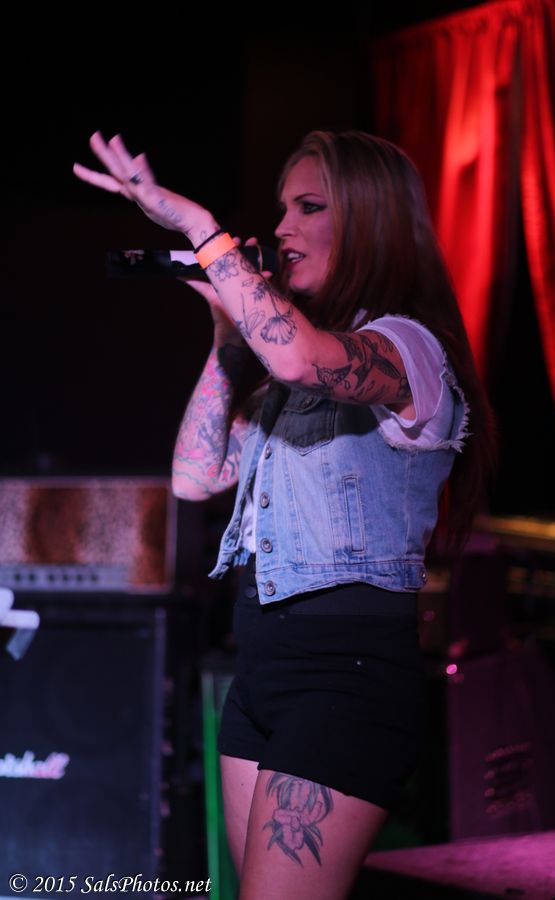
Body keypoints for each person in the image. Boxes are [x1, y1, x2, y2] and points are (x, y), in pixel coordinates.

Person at [74, 129, 496, 900]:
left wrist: (198, 228)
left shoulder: (408, 349)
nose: (281, 229)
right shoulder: (289, 378)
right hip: (263, 669)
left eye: (309, 207)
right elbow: (195, 477)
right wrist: (226, 337)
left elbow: (301, 354)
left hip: (345, 679)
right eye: (282, 209)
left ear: (368, 220)